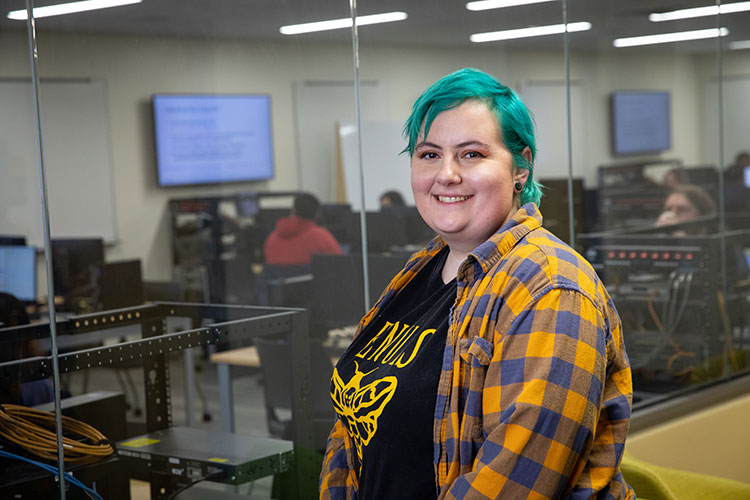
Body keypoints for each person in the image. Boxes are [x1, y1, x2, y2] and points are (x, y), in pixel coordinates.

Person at [320, 68, 634, 499]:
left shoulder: (552, 289)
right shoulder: (419, 272)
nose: (446, 174)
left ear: (520, 168)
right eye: (429, 154)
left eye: (471, 154)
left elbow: (514, 483)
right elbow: (349, 429)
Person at [263, 192, 343, 272]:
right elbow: (339, 264)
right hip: (309, 283)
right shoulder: (321, 237)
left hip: (278, 282)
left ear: (293, 211)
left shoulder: (272, 238)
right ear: (317, 214)